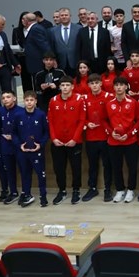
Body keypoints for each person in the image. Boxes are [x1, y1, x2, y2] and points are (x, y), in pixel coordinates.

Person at [47, 76, 85, 205]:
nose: (65, 87)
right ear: (59, 87)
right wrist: (53, 138)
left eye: (67, 85)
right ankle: (62, 191)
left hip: (74, 142)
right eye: (62, 85)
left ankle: (76, 190)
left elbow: (82, 121)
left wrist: (75, 139)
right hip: (58, 142)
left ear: (72, 87)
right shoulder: (53, 100)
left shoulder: (79, 100)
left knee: (76, 167)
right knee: (59, 168)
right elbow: (50, 121)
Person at [104, 76, 139, 204]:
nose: (119, 87)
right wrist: (111, 133)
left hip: (130, 141)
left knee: (132, 166)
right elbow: (104, 120)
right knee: (116, 167)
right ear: (113, 87)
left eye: (121, 85)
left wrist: (130, 134)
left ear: (126, 87)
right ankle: (119, 190)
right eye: (116, 85)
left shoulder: (133, 102)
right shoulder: (109, 103)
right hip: (114, 141)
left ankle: (131, 190)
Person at [14, 91, 49, 207]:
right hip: (23, 151)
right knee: (25, 173)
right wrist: (19, 145)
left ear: (35, 101)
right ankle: (26, 194)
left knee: (40, 174)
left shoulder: (41, 114)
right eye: (27, 100)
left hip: (37, 151)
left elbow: (46, 132)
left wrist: (41, 144)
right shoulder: (18, 115)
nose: (29, 102)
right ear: (24, 101)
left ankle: (43, 196)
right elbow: (14, 133)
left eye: (31, 100)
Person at [82, 73, 113, 202]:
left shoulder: (108, 97)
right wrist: (87, 123)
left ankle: (108, 189)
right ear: (88, 85)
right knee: (92, 165)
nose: (94, 85)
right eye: (92, 83)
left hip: (105, 137)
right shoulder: (84, 98)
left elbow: (112, 117)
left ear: (101, 83)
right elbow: (81, 117)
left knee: (107, 164)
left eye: (96, 83)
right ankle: (92, 188)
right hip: (91, 138)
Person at [0, 90, 21, 204]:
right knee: (9, 170)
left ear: (14, 98)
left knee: (23, 169)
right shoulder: (0, 111)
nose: (5, 99)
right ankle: (13, 192)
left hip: (19, 145)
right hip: (5, 145)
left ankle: (26, 192)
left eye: (8, 97)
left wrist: (14, 137)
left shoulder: (21, 111)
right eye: (3, 98)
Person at [49, 8, 81, 75]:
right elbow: (52, 47)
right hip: (60, 63)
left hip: (76, 62)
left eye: (66, 15)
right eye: (62, 15)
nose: (64, 17)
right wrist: (53, 60)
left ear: (70, 16)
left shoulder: (78, 28)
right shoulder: (53, 31)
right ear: (59, 17)